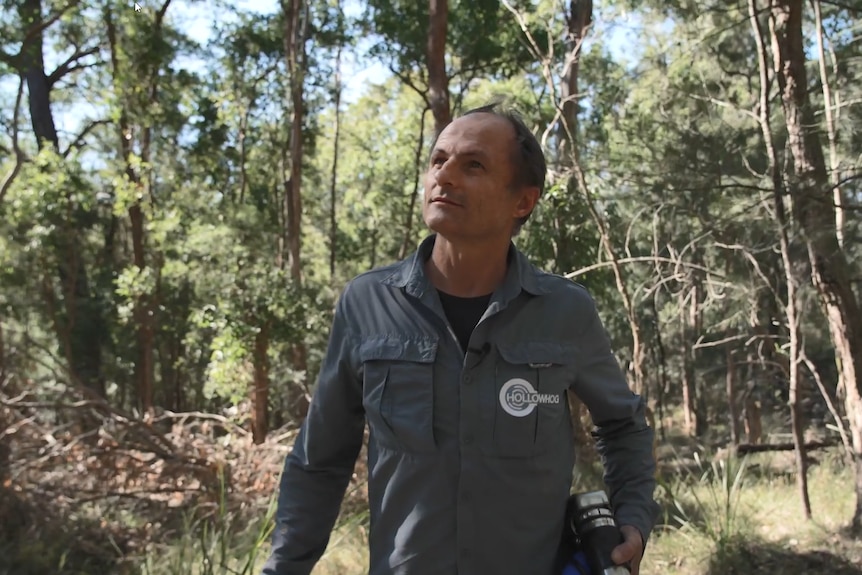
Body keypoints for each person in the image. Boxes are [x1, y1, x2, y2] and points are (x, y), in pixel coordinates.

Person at [261, 104, 660, 575]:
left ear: (523, 201)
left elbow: (623, 425)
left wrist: (633, 518)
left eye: (473, 165)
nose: (444, 175)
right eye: (438, 160)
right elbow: (320, 460)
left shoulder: (564, 312)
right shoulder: (368, 304)